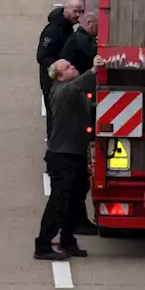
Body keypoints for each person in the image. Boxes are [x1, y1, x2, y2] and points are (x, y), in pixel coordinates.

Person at [34, 58, 98, 260]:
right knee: (59, 202)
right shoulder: (62, 91)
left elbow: (90, 108)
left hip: (75, 153)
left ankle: (68, 241)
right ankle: (43, 245)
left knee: (75, 199)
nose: (73, 67)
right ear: (60, 75)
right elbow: (77, 86)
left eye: (72, 64)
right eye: (68, 68)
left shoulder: (74, 92)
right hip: (62, 156)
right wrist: (94, 70)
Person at [37, 0, 84, 137]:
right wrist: (60, 69)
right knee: (54, 117)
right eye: (76, 11)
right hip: (53, 81)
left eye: (81, 12)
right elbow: (42, 56)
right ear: (66, 10)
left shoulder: (67, 28)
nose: (78, 15)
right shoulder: (53, 31)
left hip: (63, 80)